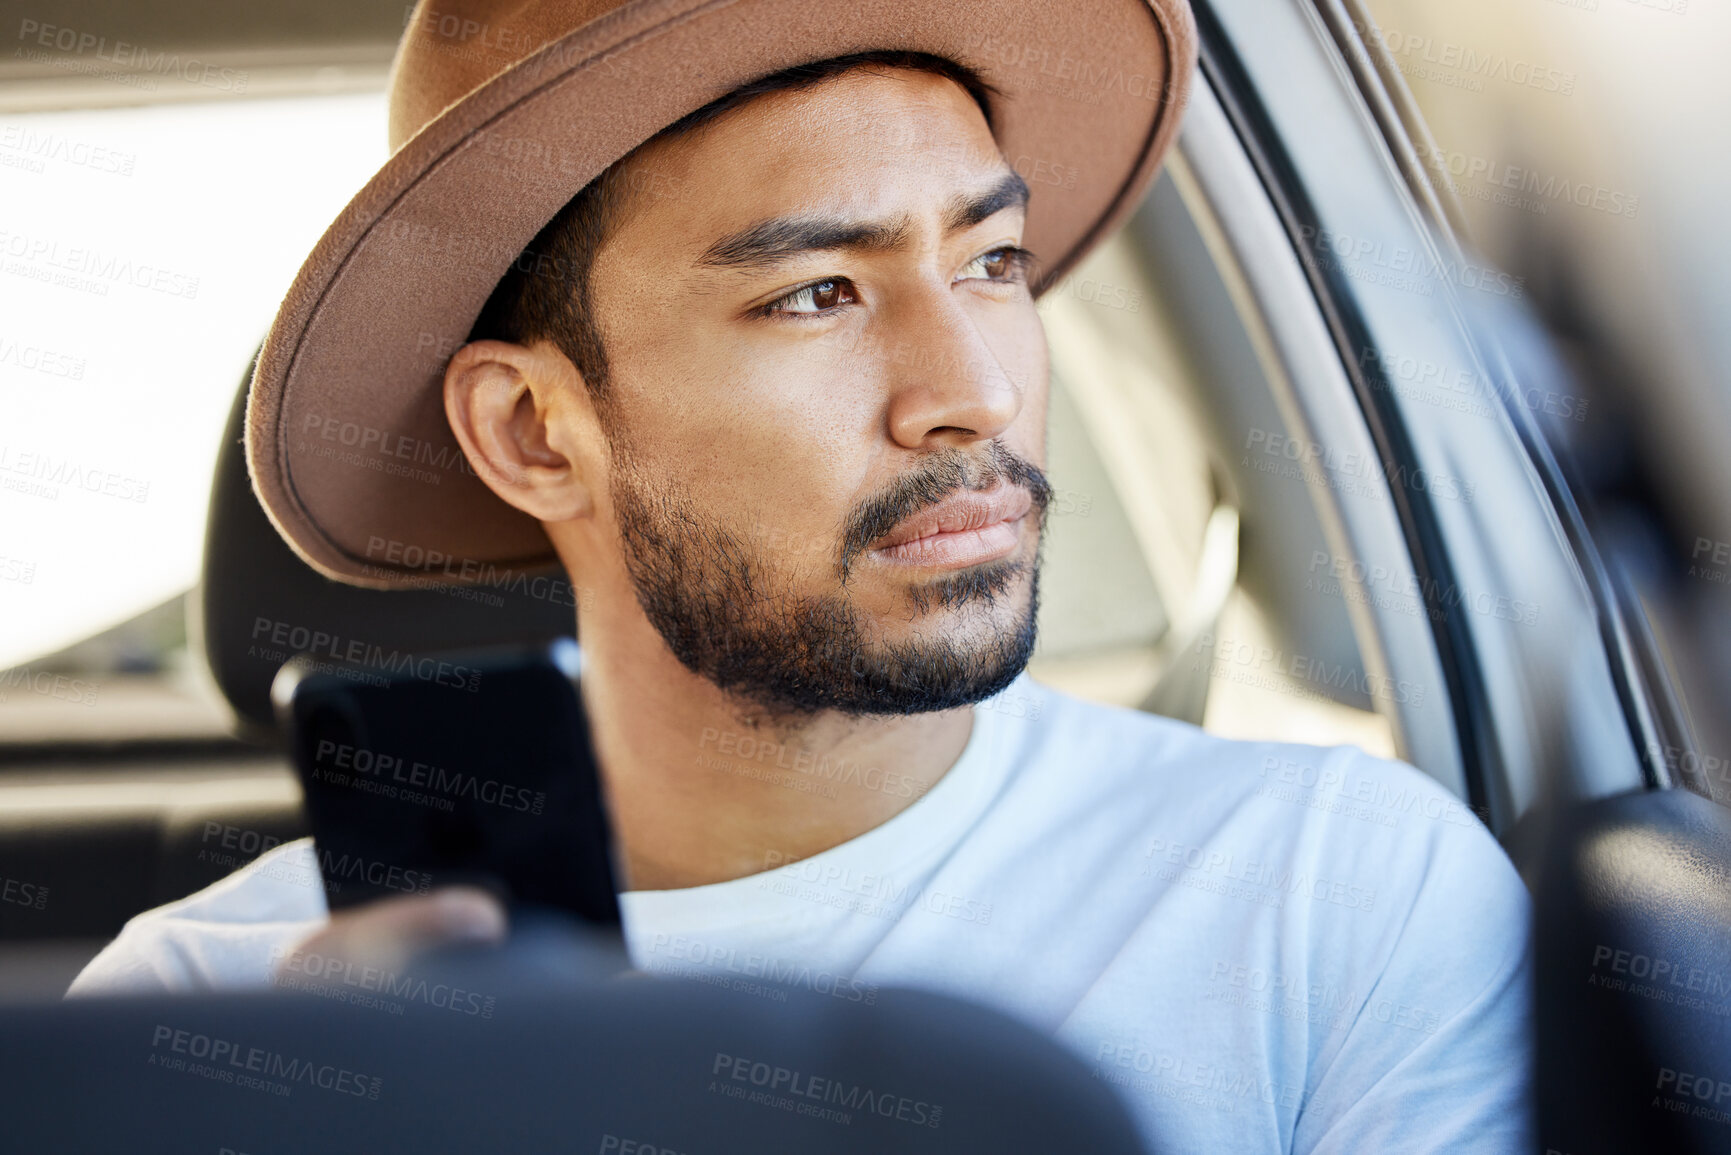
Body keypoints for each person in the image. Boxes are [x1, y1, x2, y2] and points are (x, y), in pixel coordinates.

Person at [71, 2, 1531, 1150]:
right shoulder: (208, 1020)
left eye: (994, 260)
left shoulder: (1338, 891)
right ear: (534, 432)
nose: (971, 396)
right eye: (815, 293)